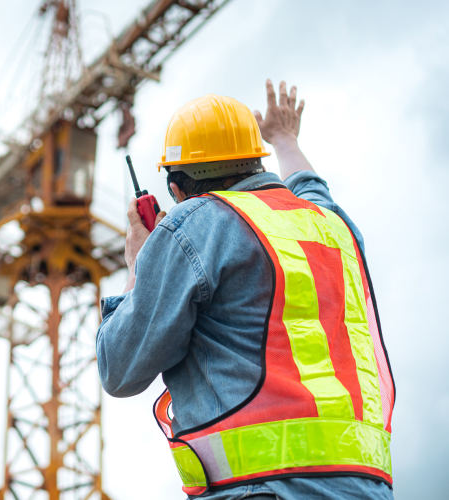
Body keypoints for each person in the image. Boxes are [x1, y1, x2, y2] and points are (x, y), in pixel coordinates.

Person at [96, 80, 395, 500]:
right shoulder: (333, 226)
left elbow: (120, 368)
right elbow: (310, 187)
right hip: (366, 486)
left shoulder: (194, 225)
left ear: (176, 187)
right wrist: (285, 138)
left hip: (261, 489)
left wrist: (137, 267)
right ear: (257, 163)